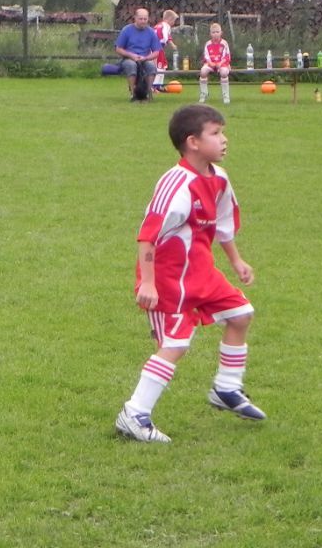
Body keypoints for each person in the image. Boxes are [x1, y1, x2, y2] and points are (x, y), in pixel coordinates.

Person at [114, 104, 264, 444]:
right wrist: (148, 282)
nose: (224, 140)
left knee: (241, 314)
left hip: (200, 270)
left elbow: (223, 225)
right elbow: (148, 235)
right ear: (193, 142)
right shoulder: (176, 183)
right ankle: (134, 414)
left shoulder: (219, 178)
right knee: (176, 343)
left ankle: (226, 388)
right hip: (168, 276)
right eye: (216, 133)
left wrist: (237, 261)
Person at [114, 7, 162, 101]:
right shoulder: (126, 30)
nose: (143, 21)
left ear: (148, 19)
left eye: (145, 19)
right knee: (131, 65)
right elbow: (118, 49)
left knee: (151, 67)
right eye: (140, 19)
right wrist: (131, 56)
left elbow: (156, 52)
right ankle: (133, 94)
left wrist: (146, 58)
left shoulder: (151, 32)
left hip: (144, 58)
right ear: (135, 18)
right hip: (128, 58)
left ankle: (147, 93)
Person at [199, 22, 232, 105]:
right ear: (210, 34)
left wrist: (220, 63)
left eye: (217, 32)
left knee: (224, 73)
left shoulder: (224, 43)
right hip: (210, 63)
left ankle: (225, 95)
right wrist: (210, 63)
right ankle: (204, 94)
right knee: (203, 72)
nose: (215, 34)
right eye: (213, 32)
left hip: (222, 63)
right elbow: (206, 56)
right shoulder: (208, 44)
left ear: (221, 33)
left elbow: (227, 56)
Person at [152, 9, 179, 91]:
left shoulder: (157, 25)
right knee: (160, 67)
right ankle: (155, 86)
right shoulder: (166, 26)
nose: (174, 23)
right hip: (158, 48)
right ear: (169, 19)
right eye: (173, 21)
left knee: (160, 66)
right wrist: (173, 45)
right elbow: (166, 37)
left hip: (152, 49)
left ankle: (159, 85)